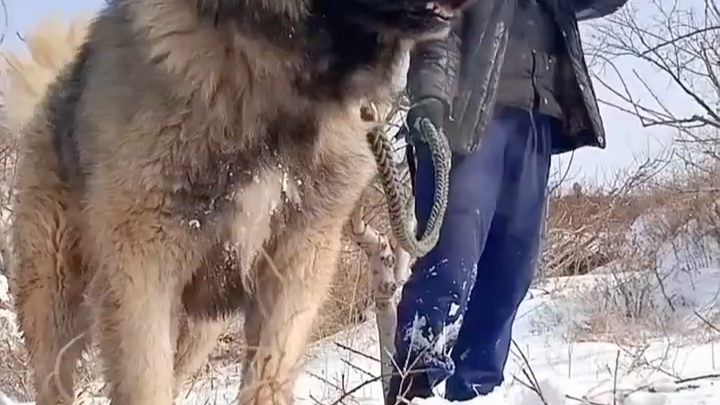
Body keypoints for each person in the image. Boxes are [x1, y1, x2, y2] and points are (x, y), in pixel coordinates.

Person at [387, 0, 629, 403]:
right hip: (466, 121)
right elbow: (435, 29)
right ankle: (416, 386)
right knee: (452, 261)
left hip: (536, 123)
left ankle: (477, 390)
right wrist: (428, 97)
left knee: (512, 270)